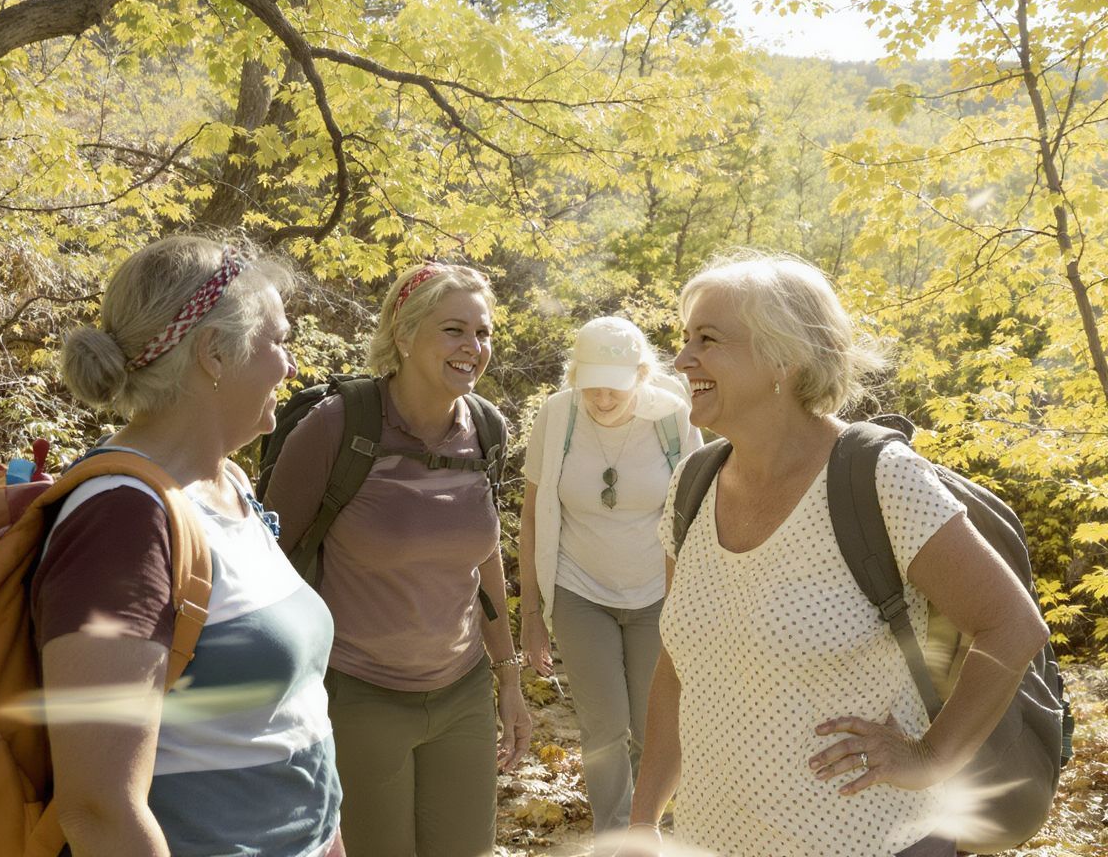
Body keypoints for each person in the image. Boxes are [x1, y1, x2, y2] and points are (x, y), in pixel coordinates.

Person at [621, 252, 1050, 857]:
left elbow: (1011, 625)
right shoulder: (693, 482)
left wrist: (930, 757)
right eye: (685, 338)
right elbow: (677, 667)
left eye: (708, 340)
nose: (683, 359)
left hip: (872, 841)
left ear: (785, 356)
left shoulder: (880, 477)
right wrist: (643, 821)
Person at [40, 235, 343, 856]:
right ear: (214, 353)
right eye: (278, 341)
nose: (290, 366)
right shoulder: (122, 522)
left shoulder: (228, 484)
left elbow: (293, 717)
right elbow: (98, 808)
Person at [262, 262, 532, 857]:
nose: (473, 347)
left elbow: (483, 561)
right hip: (357, 693)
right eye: (453, 330)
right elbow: (269, 564)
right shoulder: (338, 427)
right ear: (404, 334)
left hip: (463, 692)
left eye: (483, 332)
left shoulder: (486, 429)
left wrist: (508, 678)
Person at [518, 316, 702, 845]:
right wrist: (531, 615)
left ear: (642, 375)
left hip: (657, 594)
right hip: (579, 590)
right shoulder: (558, 416)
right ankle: (615, 841)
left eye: (614, 386)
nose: (601, 398)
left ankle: (650, 831)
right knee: (603, 727)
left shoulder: (674, 418)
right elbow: (531, 517)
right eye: (591, 384)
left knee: (653, 727)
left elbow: (701, 510)